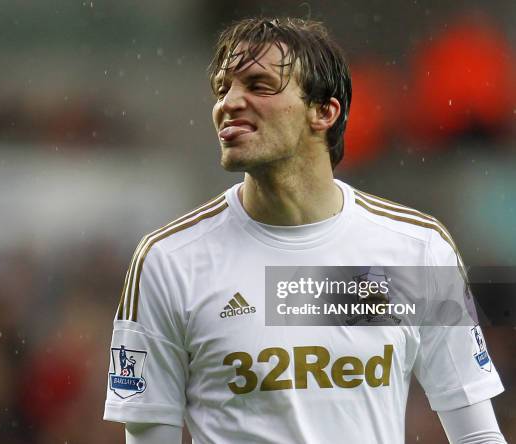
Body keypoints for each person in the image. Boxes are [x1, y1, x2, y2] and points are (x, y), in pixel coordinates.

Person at [104, 17, 506, 443]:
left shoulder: (416, 249)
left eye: (258, 86)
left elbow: (476, 436)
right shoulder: (169, 260)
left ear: (323, 111)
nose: (230, 102)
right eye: (223, 89)